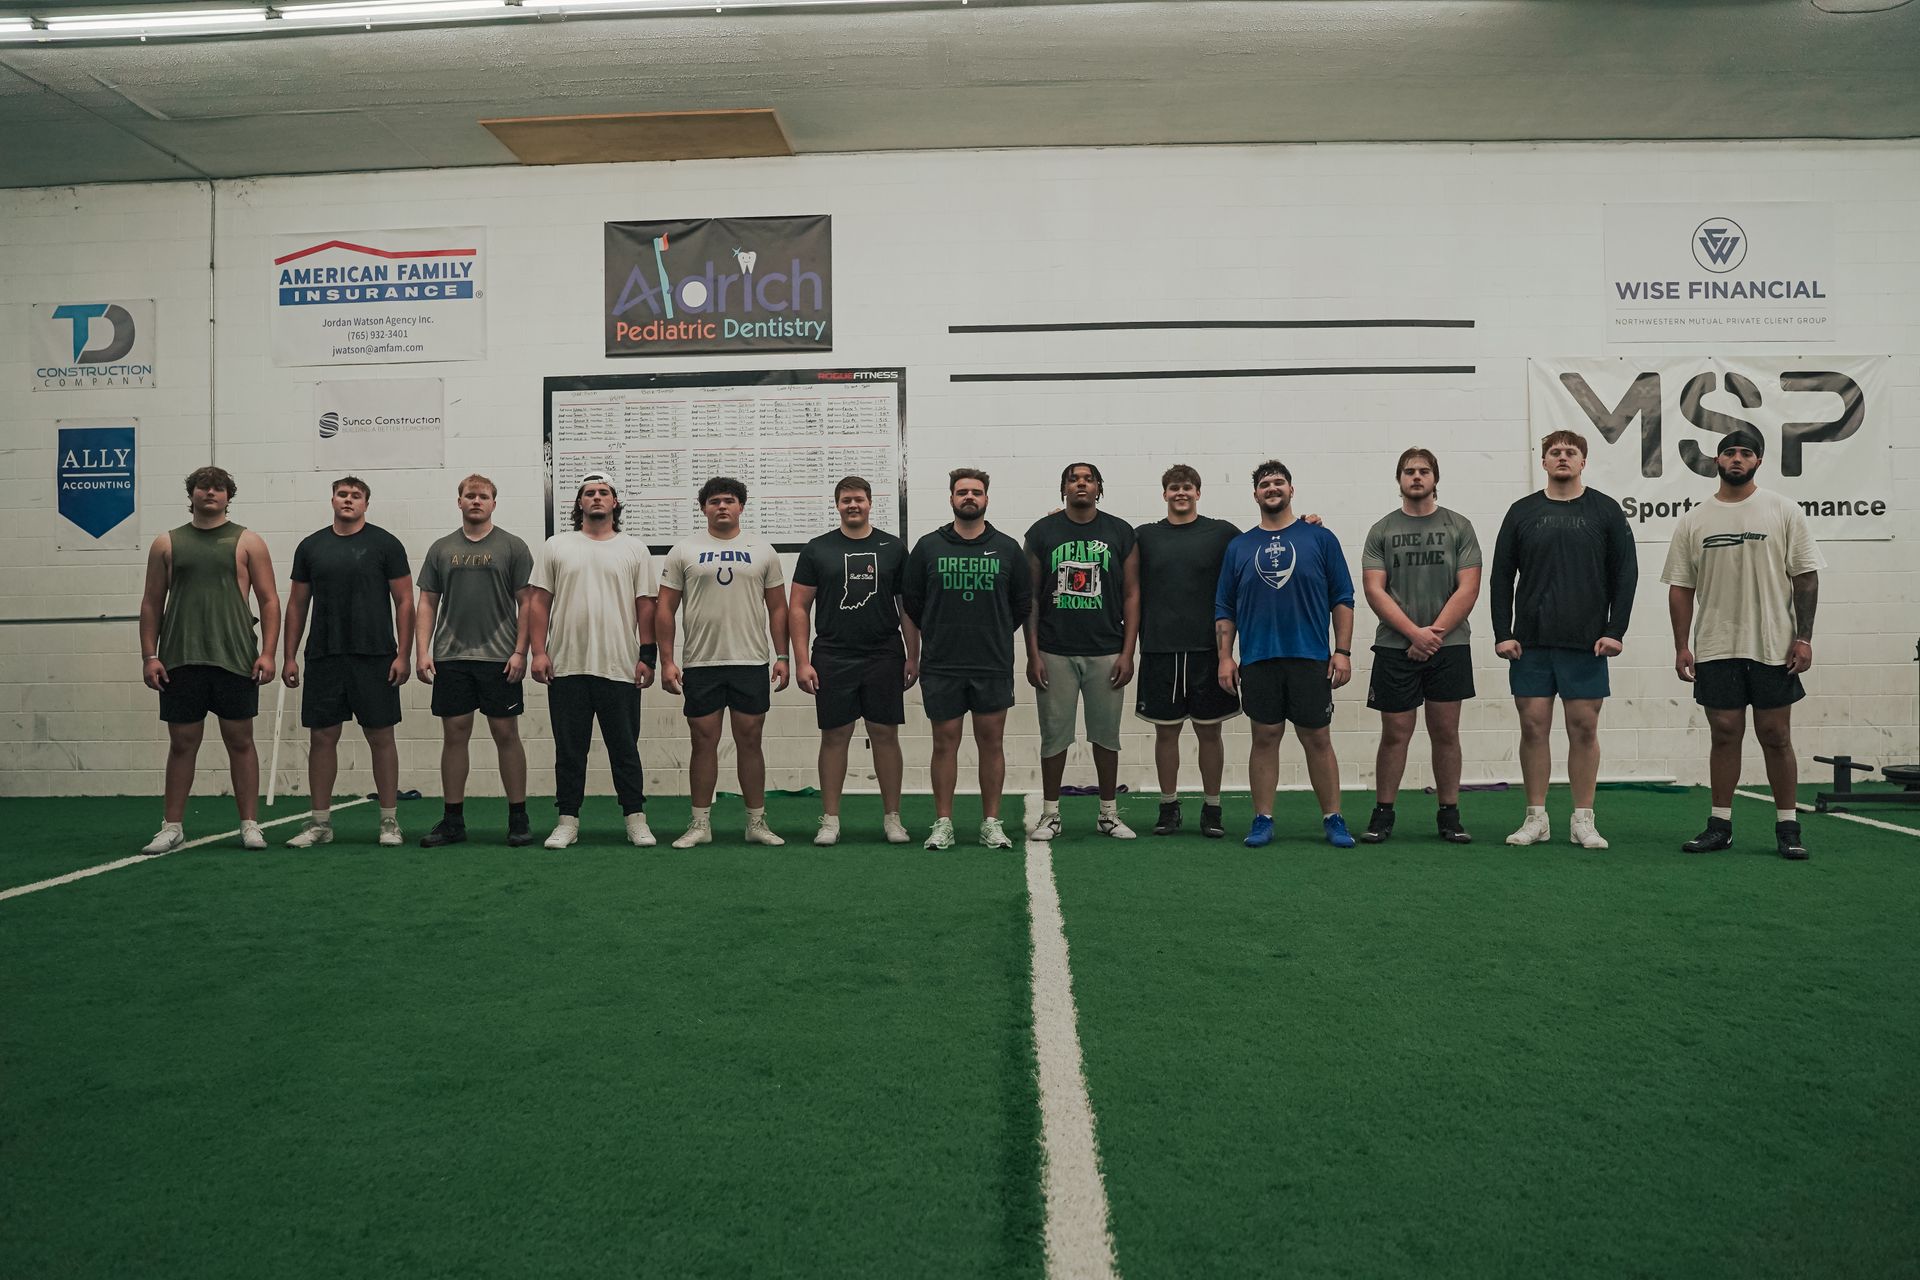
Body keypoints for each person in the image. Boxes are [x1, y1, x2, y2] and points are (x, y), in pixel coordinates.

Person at [1662, 429, 1823, 860]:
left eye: (1746, 453)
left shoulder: (1783, 510)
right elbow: (1680, 587)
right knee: (1725, 733)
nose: (1737, 459)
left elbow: (1806, 577)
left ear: (1758, 462)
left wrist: (1803, 637)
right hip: (1716, 647)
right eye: (1729, 453)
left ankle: (1788, 826)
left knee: (1775, 734)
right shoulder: (1694, 519)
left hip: (1773, 645)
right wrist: (1682, 645)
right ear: (1716, 461)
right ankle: (1720, 825)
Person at [1490, 430, 1637, 850]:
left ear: (1583, 461)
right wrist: (1503, 633)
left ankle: (1583, 820)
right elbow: (1502, 576)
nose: (1562, 458)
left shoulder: (1605, 511)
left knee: (1584, 728)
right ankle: (1536, 818)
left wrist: (1615, 631)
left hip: (1586, 643)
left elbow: (1625, 574)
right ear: (1543, 462)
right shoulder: (1522, 511)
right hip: (1531, 643)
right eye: (1554, 452)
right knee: (1533, 726)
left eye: (1570, 452)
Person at [137, 466, 281, 854]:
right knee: (182, 743)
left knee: (240, 740)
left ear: (228, 496)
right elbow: (151, 603)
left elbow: (269, 600)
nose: (211, 493)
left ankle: (250, 826)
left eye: (218, 488)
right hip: (180, 658)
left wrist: (268, 652)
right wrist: (150, 655)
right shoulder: (166, 544)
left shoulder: (249, 541)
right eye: (204, 487)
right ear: (193, 494)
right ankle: (172, 826)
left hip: (235, 657)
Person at [1214, 460, 1357, 849]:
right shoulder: (1239, 546)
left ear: (1291, 490)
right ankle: (1263, 819)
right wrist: (1226, 657)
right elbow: (1224, 608)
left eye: (1279, 482)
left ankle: (1333, 818)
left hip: (1310, 655)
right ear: (1256, 494)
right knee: (1265, 736)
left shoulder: (1320, 539)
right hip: (1258, 658)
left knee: (1317, 738)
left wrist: (1341, 651)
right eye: (1264, 484)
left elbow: (1343, 598)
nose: (1271, 488)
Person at [902, 468, 1033, 851]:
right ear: (951, 498)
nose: (969, 497)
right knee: (944, 744)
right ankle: (943, 823)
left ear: (987, 498)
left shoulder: (1008, 548)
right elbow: (911, 602)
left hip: (991, 663)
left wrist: (988, 631)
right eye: (962, 492)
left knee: (992, 742)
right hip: (941, 664)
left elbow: (1022, 604)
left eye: (976, 491)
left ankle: (991, 823)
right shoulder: (928, 547)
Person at [526, 473, 658, 849]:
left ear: (615, 503)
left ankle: (636, 819)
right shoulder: (557, 546)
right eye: (589, 493)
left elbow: (646, 604)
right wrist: (539, 652)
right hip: (566, 666)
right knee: (569, 751)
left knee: (625, 750)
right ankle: (567, 821)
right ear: (579, 504)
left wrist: (647, 656)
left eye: (603, 493)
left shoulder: (634, 548)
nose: (596, 497)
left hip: (620, 666)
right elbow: (539, 602)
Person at [1358, 448, 1482, 845]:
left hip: (1449, 646)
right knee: (1395, 732)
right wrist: (1414, 634)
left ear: (1435, 478)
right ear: (1399, 480)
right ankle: (1383, 814)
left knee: (1446, 731)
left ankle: (1449, 815)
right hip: (1397, 648)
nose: (1416, 477)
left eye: (1423, 471)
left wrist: (1433, 636)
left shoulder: (1459, 526)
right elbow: (1374, 590)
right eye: (1409, 471)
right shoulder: (1381, 529)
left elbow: (1469, 587)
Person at [281, 476, 413, 848]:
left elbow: (405, 601)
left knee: (381, 737)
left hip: (375, 656)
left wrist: (404, 654)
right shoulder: (311, 546)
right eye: (343, 494)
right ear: (333, 500)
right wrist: (289, 656)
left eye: (356, 495)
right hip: (324, 655)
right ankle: (320, 823)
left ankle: (389, 822)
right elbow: (297, 604)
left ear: (366, 504)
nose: (349, 500)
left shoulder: (386, 544)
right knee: (322, 737)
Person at [659, 476, 790, 849]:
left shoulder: (762, 550)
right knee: (703, 741)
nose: (722, 507)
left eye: (729, 501)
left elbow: (778, 607)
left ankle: (756, 822)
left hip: (750, 661)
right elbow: (664, 609)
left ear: (741, 507)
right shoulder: (683, 550)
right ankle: (700, 823)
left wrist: (782, 656)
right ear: (703, 508)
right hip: (701, 663)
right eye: (714, 501)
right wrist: (667, 661)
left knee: (750, 740)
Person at [790, 476, 917, 846]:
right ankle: (830, 820)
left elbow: (906, 607)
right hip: (832, 654)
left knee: (885, 735)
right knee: (835, 736)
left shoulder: (893, 548)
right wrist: (801, 660)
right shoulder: (817, 549)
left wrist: (914, 655)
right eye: (846, 500)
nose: (853, 506)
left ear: (870, 503)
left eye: (859, 499)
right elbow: (798, 607)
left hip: (883, 654)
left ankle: (893, 819)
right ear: (837, 504)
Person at [415, 474, 536, 848]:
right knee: (455, 735)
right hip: (451, 657)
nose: (476, 501)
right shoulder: (441, 549)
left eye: (483, 496)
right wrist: (422, 651)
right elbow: (427, 603)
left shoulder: (513, 547)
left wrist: (521, 652)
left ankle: (518, 818)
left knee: (506, 734)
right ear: (460, 502)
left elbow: (528, 602)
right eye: (470, 496)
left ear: (494, 504)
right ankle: (453, 821)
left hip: (500, 659)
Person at [1025, 462, 1140, 840]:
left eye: (1088, 479)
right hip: (1055, 651)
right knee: (1054, 736)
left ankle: (1108, 813)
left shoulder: (1119, 531)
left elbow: (1131, 594)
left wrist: (1128, 652)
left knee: (1106, 737)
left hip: (1106, 649)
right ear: (1063, 487)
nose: (1081, 484)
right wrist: (1033, 653)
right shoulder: (1042, 532)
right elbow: (1030, 597)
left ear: (1099, 489)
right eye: (1073, 479)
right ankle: (1050, 814)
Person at [1133, 463, 1242, 838]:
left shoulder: (1223, 533)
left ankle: (1212, 808)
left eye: (1188, 487)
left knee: (1209, 732)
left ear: (1199, 491)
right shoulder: (1144, 536)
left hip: (1208, 650)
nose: (1181, 492)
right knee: (1166, 733)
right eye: (1174, 487)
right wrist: (1058, 520)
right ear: (1164, 494)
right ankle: (1168, 806)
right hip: (1160, 649)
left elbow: (1264, 544)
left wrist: (1307, 523)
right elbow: (1105, 549)